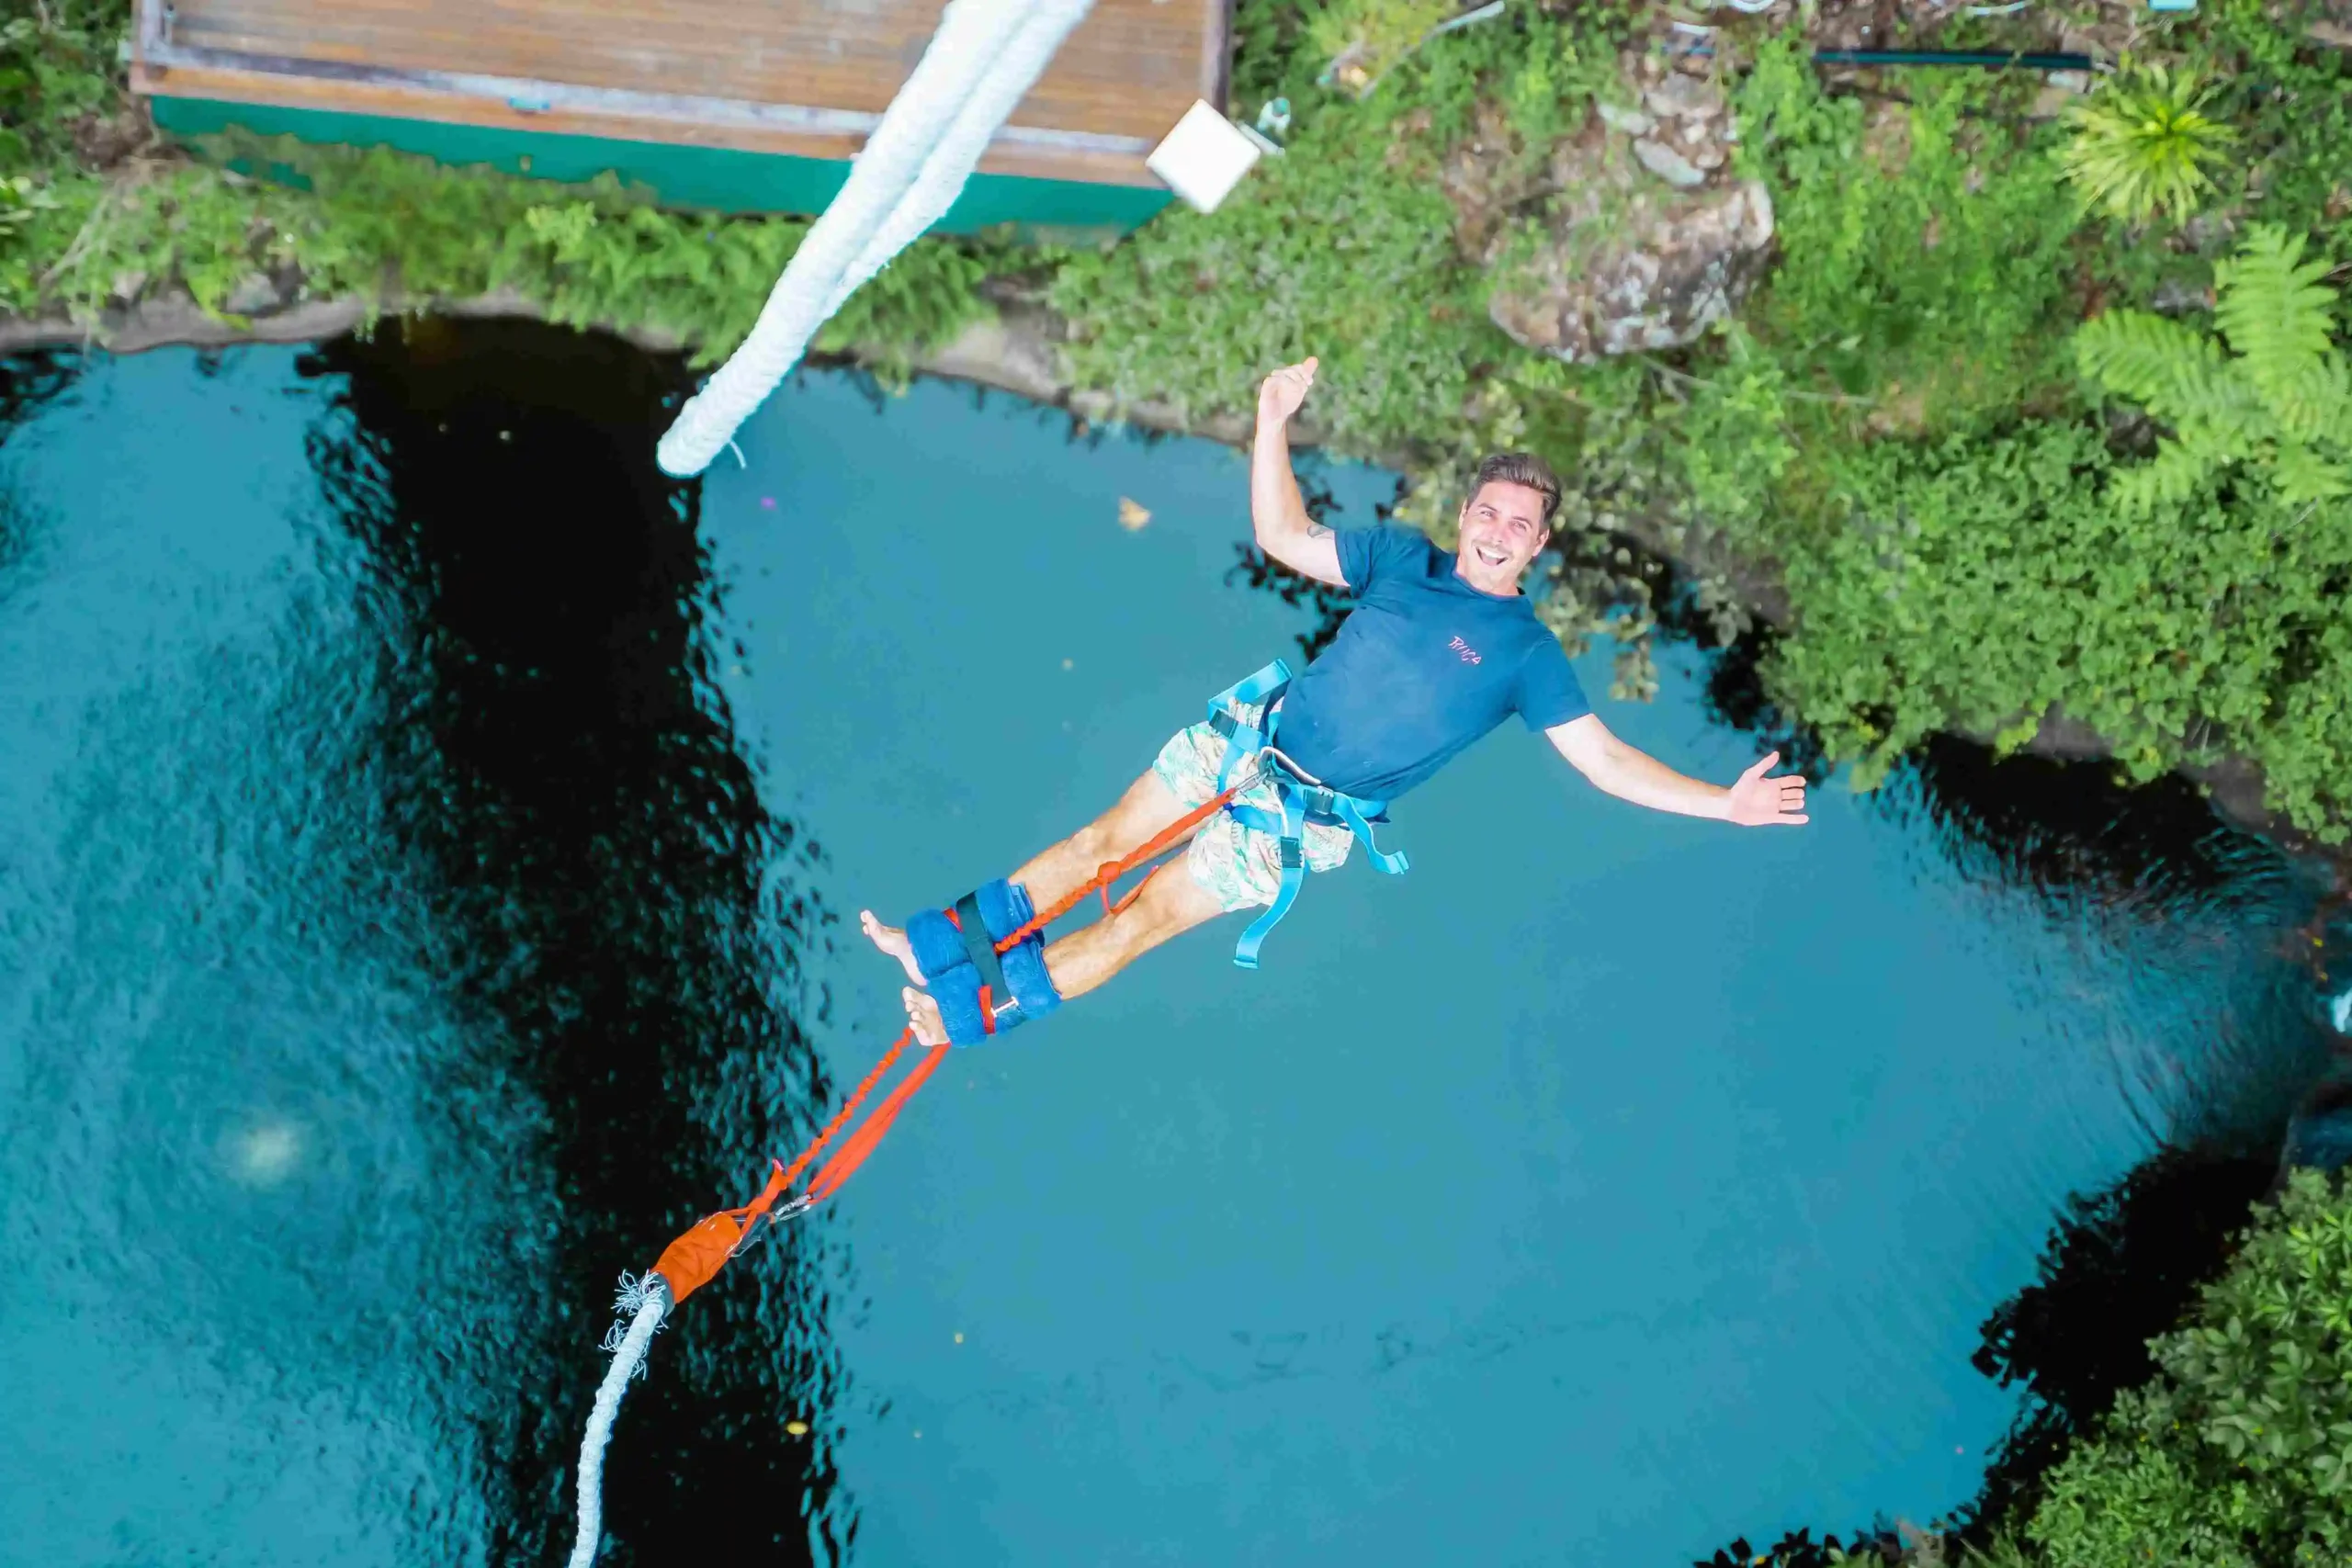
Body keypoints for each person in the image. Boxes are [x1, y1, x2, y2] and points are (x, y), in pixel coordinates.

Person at [862, 356, 1808, 1046]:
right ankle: (936, 945)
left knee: (1137, 921)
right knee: (1095, 845)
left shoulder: (1526, 656)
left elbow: (1605, 762)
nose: (1495, 531)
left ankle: (972, 1013)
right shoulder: (1401, 560)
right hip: (1246, 744)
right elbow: (1281, 534)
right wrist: (1272, 418)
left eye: (1518, 525)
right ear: (1467, 515)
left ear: (1537, 546)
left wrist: (1722, 804)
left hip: (1299, 823)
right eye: (1487, 512)